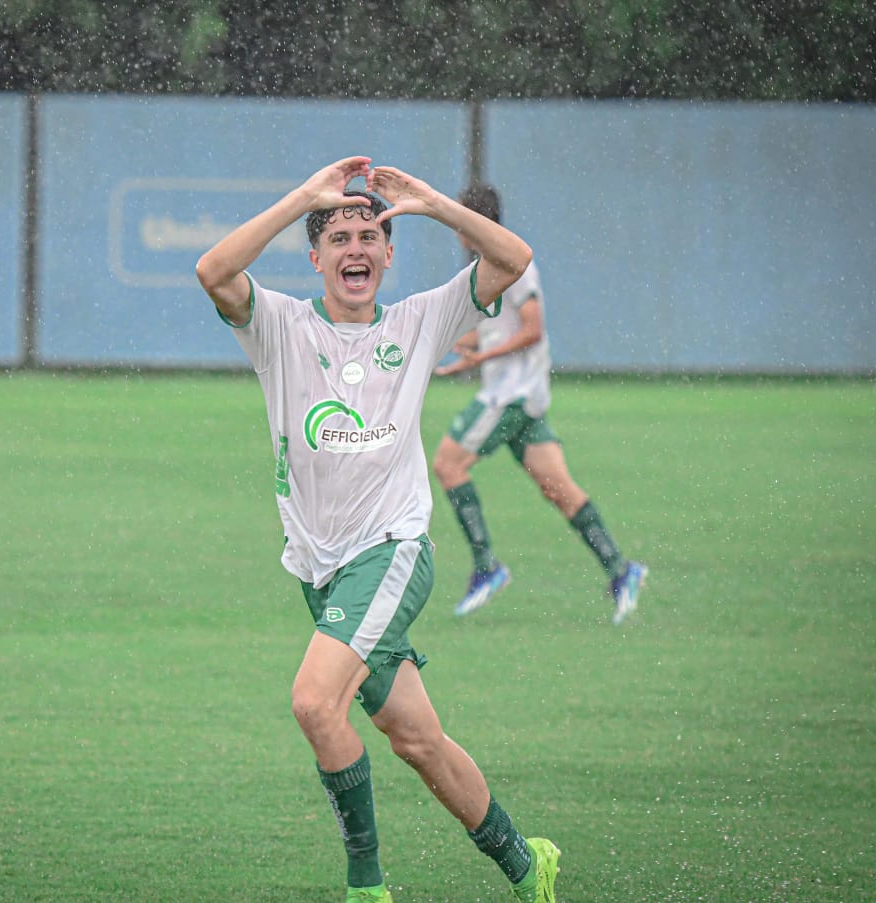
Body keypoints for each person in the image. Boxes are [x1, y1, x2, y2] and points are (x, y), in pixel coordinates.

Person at [195, 157, 559, 903]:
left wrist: (429, 203)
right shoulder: (280, 325)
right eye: (339, 237)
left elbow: (513, 258)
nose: (356, 248)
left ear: (389, 253)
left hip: (391, 551)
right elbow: (213, 269)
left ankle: (367, 886)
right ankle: (526, 863)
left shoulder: (421, 320)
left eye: (370, 235)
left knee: (312, 703)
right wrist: (302, 195)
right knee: (417, 741)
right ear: (316, 258)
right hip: (320, 569)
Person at [432, 183, 647, 625]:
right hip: (523, 399)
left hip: (509, 397)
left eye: (459, 219)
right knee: (558, 490)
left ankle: (487, 567)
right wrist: (452, 347)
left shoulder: (514, 266)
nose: (455, 229)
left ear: (474, 222)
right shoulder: (490, 264)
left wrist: (480, 360)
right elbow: (497, 332)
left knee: (448, 464)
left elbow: (532, 331)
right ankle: (621, 569)